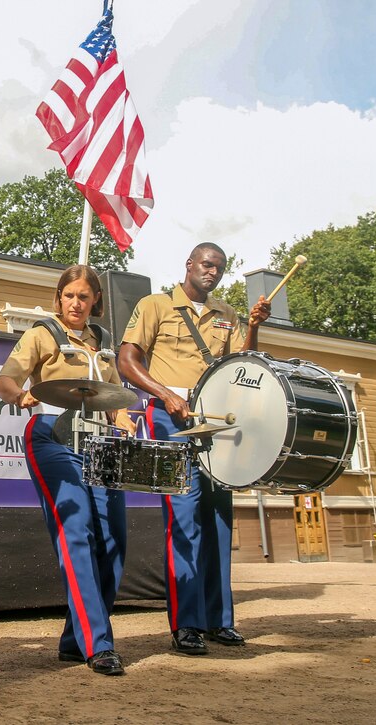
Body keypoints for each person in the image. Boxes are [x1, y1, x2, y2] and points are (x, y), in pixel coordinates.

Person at [117, 243, 270, 655]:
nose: (212, 272)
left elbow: (245, 363)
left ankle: (219, 620)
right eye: (206, 264)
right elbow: (127, 360)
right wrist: (164, 394)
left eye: (219, 268)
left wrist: (253, 325)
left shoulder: (227, 314)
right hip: (171, 419)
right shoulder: (155, 305)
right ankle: (186, 623)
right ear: (189, 264)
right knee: (184, 518)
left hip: (216, 421)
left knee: (219, 518)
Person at [0, 265, 136, 677]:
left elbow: (114, 397)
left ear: (95, 302)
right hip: (52, 438)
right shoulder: (41, 333)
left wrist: (123, 418)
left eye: (84, 297)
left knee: (114, 540)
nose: (76, 303)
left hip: (100, 442)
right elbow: (5, 381)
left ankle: (76, 640)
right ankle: (99, 644)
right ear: (59, 298)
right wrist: (20, 395)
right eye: (69, 295)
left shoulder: (105, 343)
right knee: (77, 533)